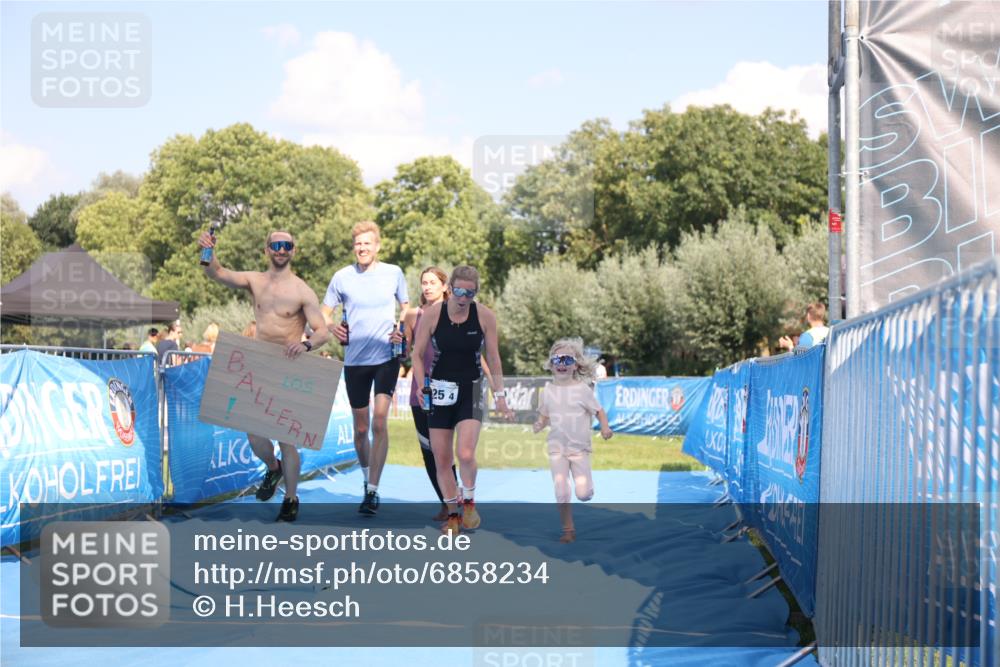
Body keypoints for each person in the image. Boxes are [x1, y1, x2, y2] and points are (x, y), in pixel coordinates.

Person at [198, 229, 330, 522]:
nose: (281, 250)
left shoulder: (302, 290)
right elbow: (217, 273)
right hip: (257, 365)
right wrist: (208, 251)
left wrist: (306, 343)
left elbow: (323, 332)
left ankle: (291, 499)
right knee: (254, 436)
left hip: (288, 366)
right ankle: (273, 468)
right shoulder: (255, 281)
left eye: (287, 245)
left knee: (287, 437)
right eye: (276, 245)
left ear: (294, 250)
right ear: (266, 249)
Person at [411, 265, 513, 535]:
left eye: (470, 293)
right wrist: (423, 387)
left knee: (465, 453)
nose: (463, 297)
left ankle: (468, 500)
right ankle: (453, 515)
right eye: (458, 291)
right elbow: (416, 355)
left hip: (471, 388)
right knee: (442, 459)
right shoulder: (433, 314)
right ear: (449, 288)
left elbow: (493, 357)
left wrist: (500, 395)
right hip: (440, 389)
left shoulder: (485, 316)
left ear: (475, 293)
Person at [322, 221, 408, 516]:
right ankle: (366, 478)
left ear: (377, 246)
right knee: (361, 429)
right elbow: (323, 312)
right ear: (354, 247)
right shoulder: (342, 277)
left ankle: (372, 491)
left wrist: (401, 328)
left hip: (386, 357)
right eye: (358, 244)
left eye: (367, 243)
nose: (362, 248)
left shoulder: (394, 273)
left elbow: (407, 307)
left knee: (379, 421)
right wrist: (333, 327)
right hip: (355, 360)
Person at [532, 338, 613, 543]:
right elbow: (545, 414)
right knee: (561, 490)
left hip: (579, 450)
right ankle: (568, 529)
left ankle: (588, 489)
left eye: (567, 359)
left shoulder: (582, 390)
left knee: (583, 494)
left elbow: (599, 411)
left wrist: (605, 427)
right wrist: (539, 424)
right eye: (557, 359)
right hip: (556, 448)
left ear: (576, 365)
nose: (561, 363)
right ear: (551, 364)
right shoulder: (548, 390)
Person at [403, 267, 458, 521]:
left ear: (444, 286)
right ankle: (446, 504)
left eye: (433, 282)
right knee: (428, 451)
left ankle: (457, 505)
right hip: (420, 392)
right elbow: (405, 352)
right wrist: (398, 340)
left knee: (443, 451)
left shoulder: (457, 313)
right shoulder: (413, 314)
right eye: (424, 282)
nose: (427, 287)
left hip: (447, 391)